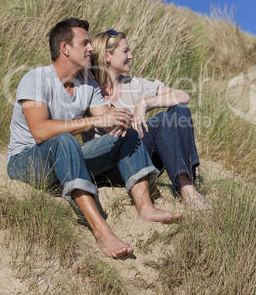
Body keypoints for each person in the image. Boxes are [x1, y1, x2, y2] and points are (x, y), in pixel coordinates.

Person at [7, 18, 182, 259]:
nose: (91, 48)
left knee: (124, 132)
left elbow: (104, 116)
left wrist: (119, 117)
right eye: (85, 43)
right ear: (65, 48)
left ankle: (146, 208)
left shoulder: (87, 83)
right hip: (27, 161)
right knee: (64, 139)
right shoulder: (36, 79)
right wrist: (92, 121)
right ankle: (102, 231)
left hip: (65, 160)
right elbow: (40, 132)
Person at [89, 29, 210, 210]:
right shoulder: (89, 89)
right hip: (110, 167)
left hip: (141, 158)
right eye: (125, 51)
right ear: (107, 56)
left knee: (179, 110)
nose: (131, 56)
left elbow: (183, 96)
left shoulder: (135, 84)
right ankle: (186, 190)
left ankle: (186, 188)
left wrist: (144, 103)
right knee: (162, 121)